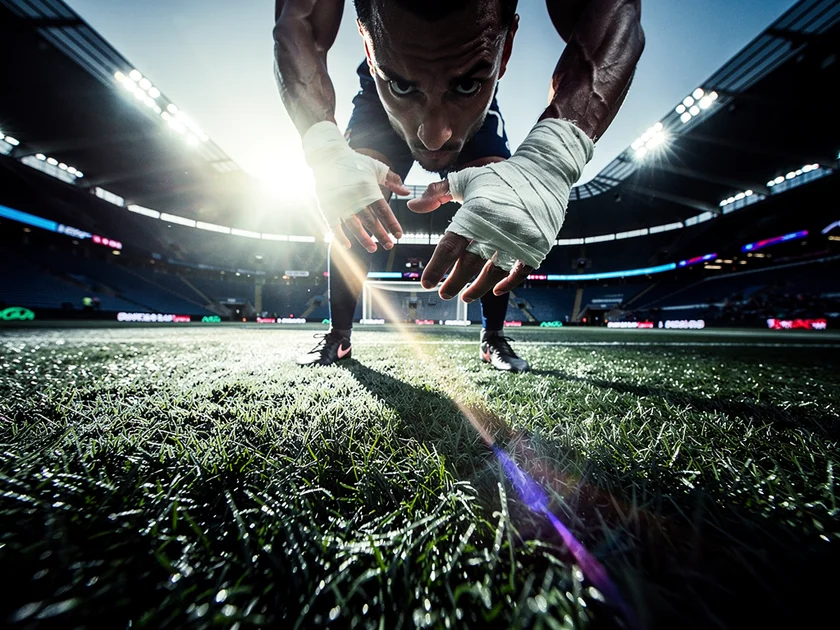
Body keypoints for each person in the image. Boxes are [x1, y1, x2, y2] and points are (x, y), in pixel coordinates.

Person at [274, 0, 644, 369]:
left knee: (501, 206)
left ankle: (493, 337)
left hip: (428, 96)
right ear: (368, 49)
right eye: (403, 85)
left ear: (506, 48)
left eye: (467, 83)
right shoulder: (393, 74)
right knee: (355, 205)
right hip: (377, 101)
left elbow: (616, 13)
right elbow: (297, 24)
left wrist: (556, 152)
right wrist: (323, 147)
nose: (434, 138)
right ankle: (339, 337)